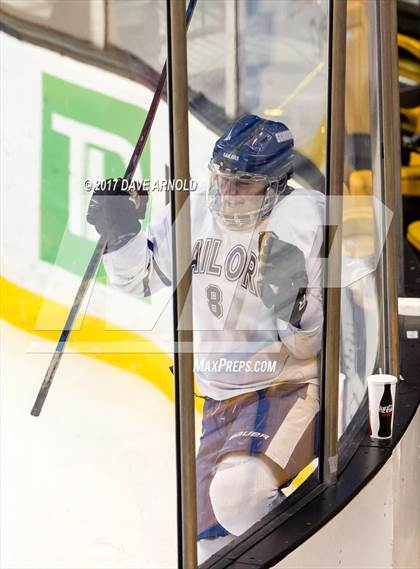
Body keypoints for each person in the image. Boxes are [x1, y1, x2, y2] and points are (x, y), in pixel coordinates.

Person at [87, 115, 325, 563]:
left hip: (286, 390)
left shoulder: (303, 221)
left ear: (275, 184)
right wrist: (121, 236)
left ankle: (333, 549)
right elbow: (140, 280)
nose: (229, 192)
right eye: (224, 178)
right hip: (220, 400)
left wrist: (295, 307)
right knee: (210, 544)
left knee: (240, 498)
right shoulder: (199, 208)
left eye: (244, 183)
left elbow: (314, 344)